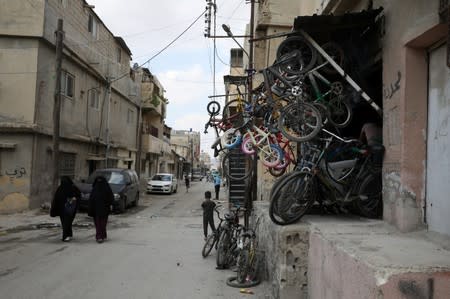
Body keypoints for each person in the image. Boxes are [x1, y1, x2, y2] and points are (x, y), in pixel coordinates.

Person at [50, 176, 81, 242]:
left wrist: (74, 199)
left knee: (66, 222)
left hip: (68, 208)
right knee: (66, 222)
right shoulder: (70, 188)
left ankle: (67, 235)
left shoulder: (64, 188)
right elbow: (56, 199)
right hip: (66, 209)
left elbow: (78, 196)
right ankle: (66, 236)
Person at [88, 176, 114, 243]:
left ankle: (102, 235)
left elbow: (111, 197)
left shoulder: (106, 188)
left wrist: (111, 204)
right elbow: (91, 199)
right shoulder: (95, 189)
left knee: (102, 224)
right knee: (98, 224)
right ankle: (99, 236)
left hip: (104, 208)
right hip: (96, 209)